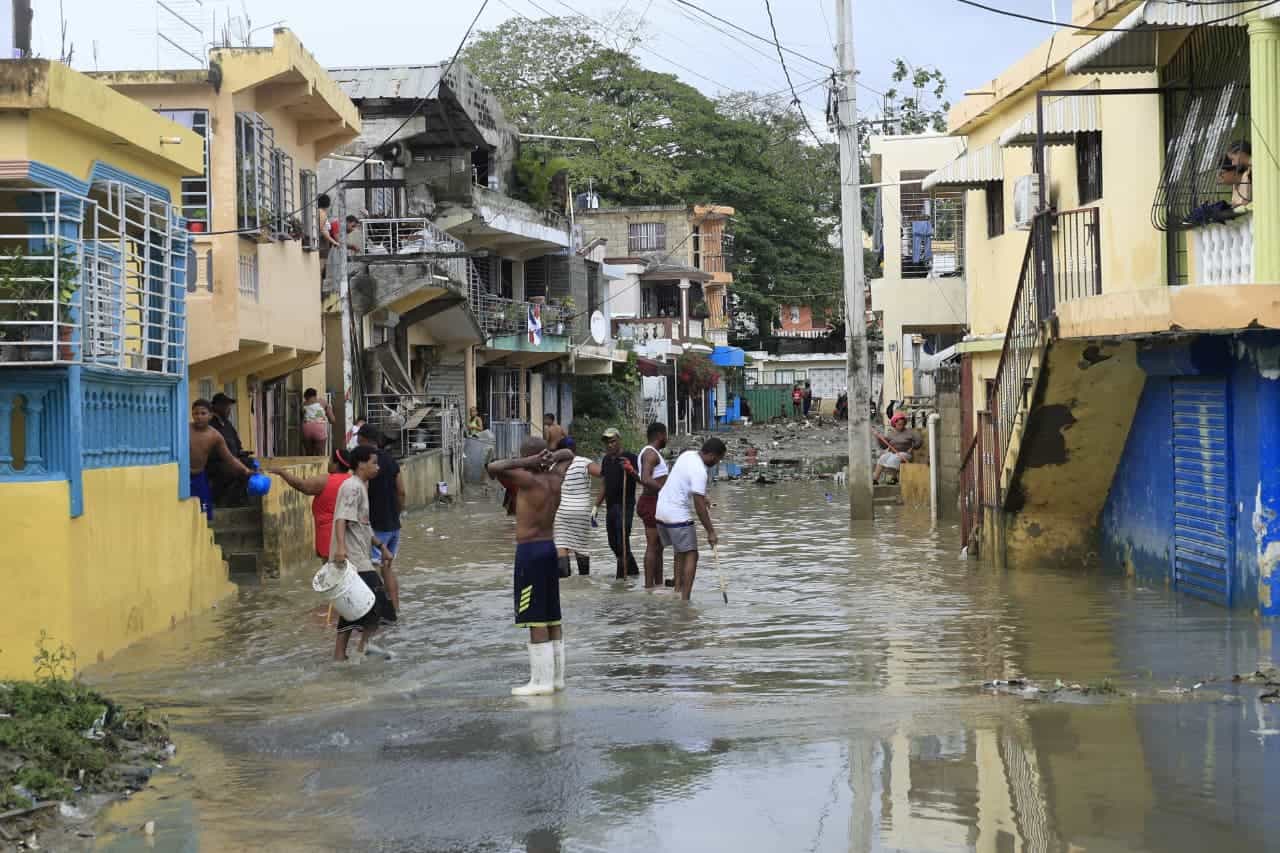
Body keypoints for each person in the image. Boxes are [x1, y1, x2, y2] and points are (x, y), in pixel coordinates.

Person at [487, 437, 576, 695]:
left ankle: (541, 683)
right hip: (550, 548)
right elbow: (568, 454)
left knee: (535, 616)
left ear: (529, 458)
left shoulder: (527, 479)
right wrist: (551, 457)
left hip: (530, 552)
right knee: (552, 615)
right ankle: (557, 679)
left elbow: (493, 467)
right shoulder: (555, 479)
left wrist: (527, 462)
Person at [330, 445, 397, 662]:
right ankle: (358, 649)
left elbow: (364, 526)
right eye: (374, 462)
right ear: (361, 464)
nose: (377, 467)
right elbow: (341, 518)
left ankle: (349, 653)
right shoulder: (352, 487)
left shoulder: (361, 486)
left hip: (361, 556)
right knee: (377, 605)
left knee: (354, 606)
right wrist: (341, 549)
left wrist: (381, 546)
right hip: (353, 560)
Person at [655, 437, 727, 601]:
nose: (717, 463)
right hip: (676, 515)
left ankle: (678, 590)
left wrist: (705, 496)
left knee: (680, 551)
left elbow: (684, 482)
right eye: (718, 459)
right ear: (713, 456)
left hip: (660, 512)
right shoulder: (700, 471)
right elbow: (699, 506)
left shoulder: (687, 455)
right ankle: (685, 600)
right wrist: (711, 532)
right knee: (692, 555)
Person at [269, 448, 353, 561]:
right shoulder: (352, 481)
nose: (328, 463)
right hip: (348, 535)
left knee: (332, 571)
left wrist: (281, 472)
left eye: (330, 461)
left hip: (330, 535)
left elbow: (302, 485)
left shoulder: (326, 481)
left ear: (336, 464)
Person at [357, 423, 404, 612]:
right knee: (387, 569)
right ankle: (394, 609)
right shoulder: (392, 461)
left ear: (367, 441)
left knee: (372, 571)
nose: (358, 445)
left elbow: (363, 493)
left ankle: (375, 612)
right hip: (394, 525)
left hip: (376, 527)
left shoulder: (366, 464)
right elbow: (401, 492)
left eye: (359, 442)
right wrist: (397, 514)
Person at [189, 399, 251, 522]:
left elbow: (229, 458)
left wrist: (246, 470)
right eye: (196, 413)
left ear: (210, 415)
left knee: (205, 511)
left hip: (199, 477)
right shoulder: (185, 430)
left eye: (203, 413)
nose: (199, 417)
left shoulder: (215, 436)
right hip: (182, 477)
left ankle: (205, 537)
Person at [595, 427, 640, 579]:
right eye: (607, 443)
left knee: (622, 541)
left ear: (619, 441)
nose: (609, 445)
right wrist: (595, 506)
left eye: (613, 441)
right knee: (613, 543)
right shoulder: (606, 460)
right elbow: (604, 484)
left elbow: (642, 480)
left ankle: (621, 579)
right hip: (611, 506)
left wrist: (630, 469)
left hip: (625, 505)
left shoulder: (630, 457)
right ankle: (633, 570)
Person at [553, 445, 600, 577]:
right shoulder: (584, 462)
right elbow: (603, 474)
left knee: (561, 545)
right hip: (581, 512)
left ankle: (564, 580)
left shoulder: (555, 466)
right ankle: (584, 579)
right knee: (582, 547)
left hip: (562, 512)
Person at [635, 422, 671, 588]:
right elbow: (646, 478)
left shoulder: (652, 453)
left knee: (659, 546)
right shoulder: (651, 453)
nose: (667, 438)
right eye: (666, 434)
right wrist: (664, 491)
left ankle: (658, 584)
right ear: (659, 435)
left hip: (655, 502)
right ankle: (649, 586)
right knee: (652, 545)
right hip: (651, 503)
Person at [208, 392, 252, 507]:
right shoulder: (211, 424)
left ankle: (238, 500)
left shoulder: (228, 425)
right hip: (217, 464)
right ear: (216, 407)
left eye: (229, 407)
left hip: (233, 460)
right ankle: (226, 501)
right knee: (237, 470)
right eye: (225, 406)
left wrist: (242, 453)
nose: (228, 410)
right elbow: (213, 451)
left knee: (250, 465)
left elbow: (237, 444)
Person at [873, 412, 922, 484]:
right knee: (882, 458)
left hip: (905, 454)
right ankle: (875, 479)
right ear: (894, 424)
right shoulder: (891, 433)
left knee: (895, 458)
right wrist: (879, 439)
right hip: (893, 453)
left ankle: (893, 478)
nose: (901, 426)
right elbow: (884, 446)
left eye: (902, 424)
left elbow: (919, 441)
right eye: (899, 424)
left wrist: (913, 447)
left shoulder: (910, 432)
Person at [301, 388, 335, 456]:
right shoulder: (323, 402)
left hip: (306, 429)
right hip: (319, 428)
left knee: (309, 454)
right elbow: (332, 420)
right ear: (315, 395)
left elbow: (302, 418)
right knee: (320, 454)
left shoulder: (303, 404)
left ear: (306, 396)